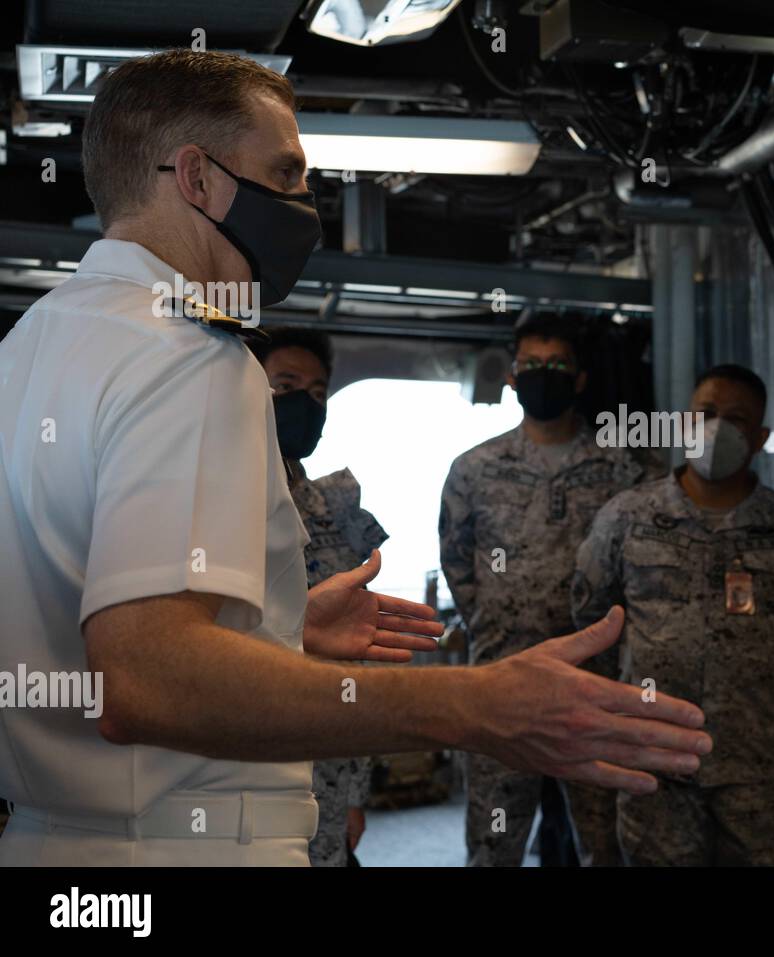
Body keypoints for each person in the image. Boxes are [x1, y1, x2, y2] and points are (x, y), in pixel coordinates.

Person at [0, 49, 710, 867]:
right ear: (195, 177)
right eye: (287, 172)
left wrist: (280, 633)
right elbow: (145, 681)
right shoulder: (186, 352)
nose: (306, 201)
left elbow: (88, 646)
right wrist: (474, 703)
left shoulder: (33, 346)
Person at [571, 365, 774, 865]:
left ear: (761, 437)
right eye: (706, 414)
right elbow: (591, 617)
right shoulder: (627, 516)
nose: (716, 428)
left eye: (737, 419)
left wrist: (761, 676)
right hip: (653, 754)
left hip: (756, 764)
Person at [439, 314, 664, 866]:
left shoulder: (622, 469)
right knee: (494, 846)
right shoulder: (475, 468)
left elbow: (641, 566)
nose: (544, 375)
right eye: (531, 366)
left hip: (595, 686)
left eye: (557, 366)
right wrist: (497, 620)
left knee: (607, 846)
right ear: (513, 378)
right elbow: (456, 561)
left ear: (580, 379)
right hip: (501, 681)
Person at [252, 327, 384, 867]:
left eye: (317, 392)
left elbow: (358, 658)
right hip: (243, 761)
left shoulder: (333, 508)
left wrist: (354, 793)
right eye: (285, 385)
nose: (304, 403)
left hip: (326, 766)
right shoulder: (209, 495)